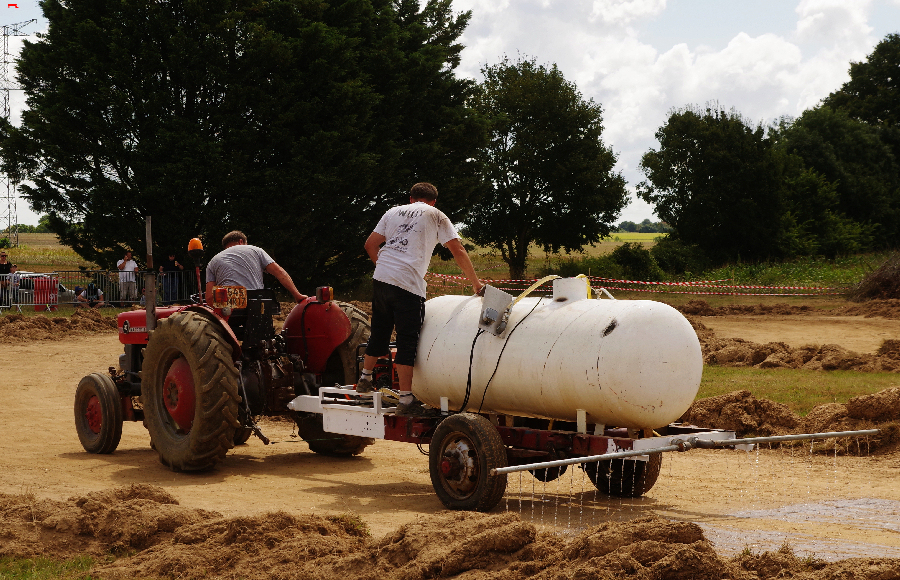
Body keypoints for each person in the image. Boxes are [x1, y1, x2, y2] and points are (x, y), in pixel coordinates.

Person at [357, 182, 483, 416]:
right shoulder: (436, 215)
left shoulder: (392, 212)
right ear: (433, 201)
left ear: (411, 198)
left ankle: (365, 377)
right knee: (407, 339)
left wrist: (385, 267)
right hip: (407, 285)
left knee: (380, 330)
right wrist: (476, 283)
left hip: (381, 279)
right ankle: (406, 400)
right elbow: (458, 250)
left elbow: (370, 245)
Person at [205, 230, 307, 307]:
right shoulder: (255, 250)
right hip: (256, 303)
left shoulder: (213, 260)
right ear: (241, 242)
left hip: (228, 305)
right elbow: (279, 272)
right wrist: (297, 295)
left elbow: (209, 297)